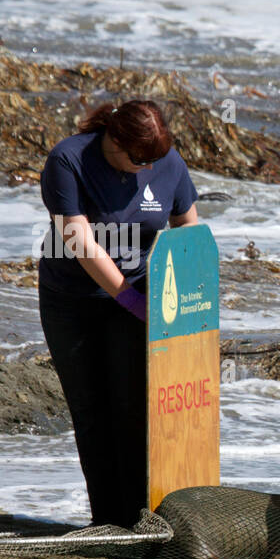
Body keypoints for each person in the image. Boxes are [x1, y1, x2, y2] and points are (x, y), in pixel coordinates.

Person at [37, 100, 199, 528]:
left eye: (153, 162)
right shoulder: (68, 160)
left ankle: (141, 517)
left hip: (141, 293)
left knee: (134, 408)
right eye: (138, 160)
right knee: (91, 411)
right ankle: (107, 521)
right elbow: (80, 241)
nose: (146, 170)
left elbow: (189, 229)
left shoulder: (166, 162)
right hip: (73, 300)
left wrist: (192, 302)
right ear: (114, 139)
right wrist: (130, 302)